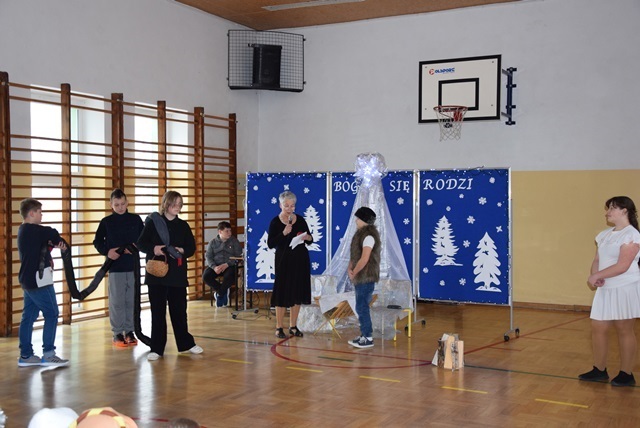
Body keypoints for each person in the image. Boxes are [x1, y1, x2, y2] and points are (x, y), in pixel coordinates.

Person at [579, 196, 640, 387]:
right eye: (608, 209)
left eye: (612, 208)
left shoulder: (632, 235)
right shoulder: (604, 235)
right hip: (606, 288)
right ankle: (599, 370)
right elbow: (597, 260)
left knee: (624, 329)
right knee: (598, 327)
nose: (607, 212)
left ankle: (626, 373)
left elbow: (623, 265)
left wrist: (597, 276)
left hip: (625, 287)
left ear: (625, 211)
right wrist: (596, 275)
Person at [136, 191, 202, 361]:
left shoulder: (183, 225)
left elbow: (191, 248)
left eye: (180, 204)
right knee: (157, 313)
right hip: (157, 276)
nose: (178, 207)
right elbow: (141, 243)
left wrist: (182, 250)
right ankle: (157, 348)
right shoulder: (153, 223)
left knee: (179, 312)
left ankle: (185, 344)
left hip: (177, 275)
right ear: (166, 204)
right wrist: (154, 249)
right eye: (174, 203)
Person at [17, 198, 70, 367]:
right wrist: (59, 242)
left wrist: (53, 244)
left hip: (27, 280)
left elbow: (45, 241)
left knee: (28, 317)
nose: (42, 215)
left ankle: (26, 355)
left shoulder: (23, 230)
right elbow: (52, 233)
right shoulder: (35, 230)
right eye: (40, 212)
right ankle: (48, 354)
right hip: (39, 281)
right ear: (32, 213)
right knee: (52, 313)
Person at [93, 189, 144, 347]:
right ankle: (117, 333)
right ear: (111, 205)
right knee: (117, 301)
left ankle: (129, 331)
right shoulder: (106, 222)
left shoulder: (136, 220)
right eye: (117, 205)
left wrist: (135, 247)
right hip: (116, 267)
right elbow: (97, 242)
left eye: (122, 204)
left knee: (131, 300)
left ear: (127, 203)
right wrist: (107, 251)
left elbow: (143, 240)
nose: (120, 207)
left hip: (133, 266)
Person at [267, 191, 313, 338]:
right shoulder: (275, 222)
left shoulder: (300, 220)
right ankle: (279, 327)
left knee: (297, 292)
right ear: (280, 205)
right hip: (284, 260)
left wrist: (307, 237)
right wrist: (284, 233)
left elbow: (310, 239)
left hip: (300, 259)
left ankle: (293, 326)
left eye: (292, 206)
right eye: (286, 206)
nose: (289, 209)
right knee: (282, 292)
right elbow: (271, 243)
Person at [347, 207, 381, 349]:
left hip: (366, 277)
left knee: (362, 307)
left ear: (365, 220)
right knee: (360, 306)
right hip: (360, 276)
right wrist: (350, 268)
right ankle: (364, 335)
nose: (356, 221)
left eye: (358, 219)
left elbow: (364, 258)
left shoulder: (369, 237)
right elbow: (355, 255)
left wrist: (355, 271)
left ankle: (367, 337)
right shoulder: (359, 235)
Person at [202, 221, 243, 307]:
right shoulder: (212, 242)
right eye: (227, 231)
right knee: (206, 276)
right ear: (220, 232)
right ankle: (222, 291)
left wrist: (227, 264)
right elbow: (208, 257)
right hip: (216, 265)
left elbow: (238, 256)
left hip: (229, 265)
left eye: (230, 230)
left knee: (230, 276)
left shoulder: (234, 241)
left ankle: (220, 294)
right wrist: (214, 267)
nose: (229, 233)